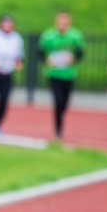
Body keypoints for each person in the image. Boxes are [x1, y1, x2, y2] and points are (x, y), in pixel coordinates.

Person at [38, 10, 85, 141]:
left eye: (65, 22)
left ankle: (60, 119)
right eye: (60, 22)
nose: (63, 25)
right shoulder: (48, 36)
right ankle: (58, 130)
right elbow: (40, 52)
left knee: (64, 102)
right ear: (56, 22)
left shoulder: (75, 36)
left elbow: (80, 53)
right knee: (58, 100)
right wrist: (47, 60)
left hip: (69, 74)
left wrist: (73, 59)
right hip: (54, 73)